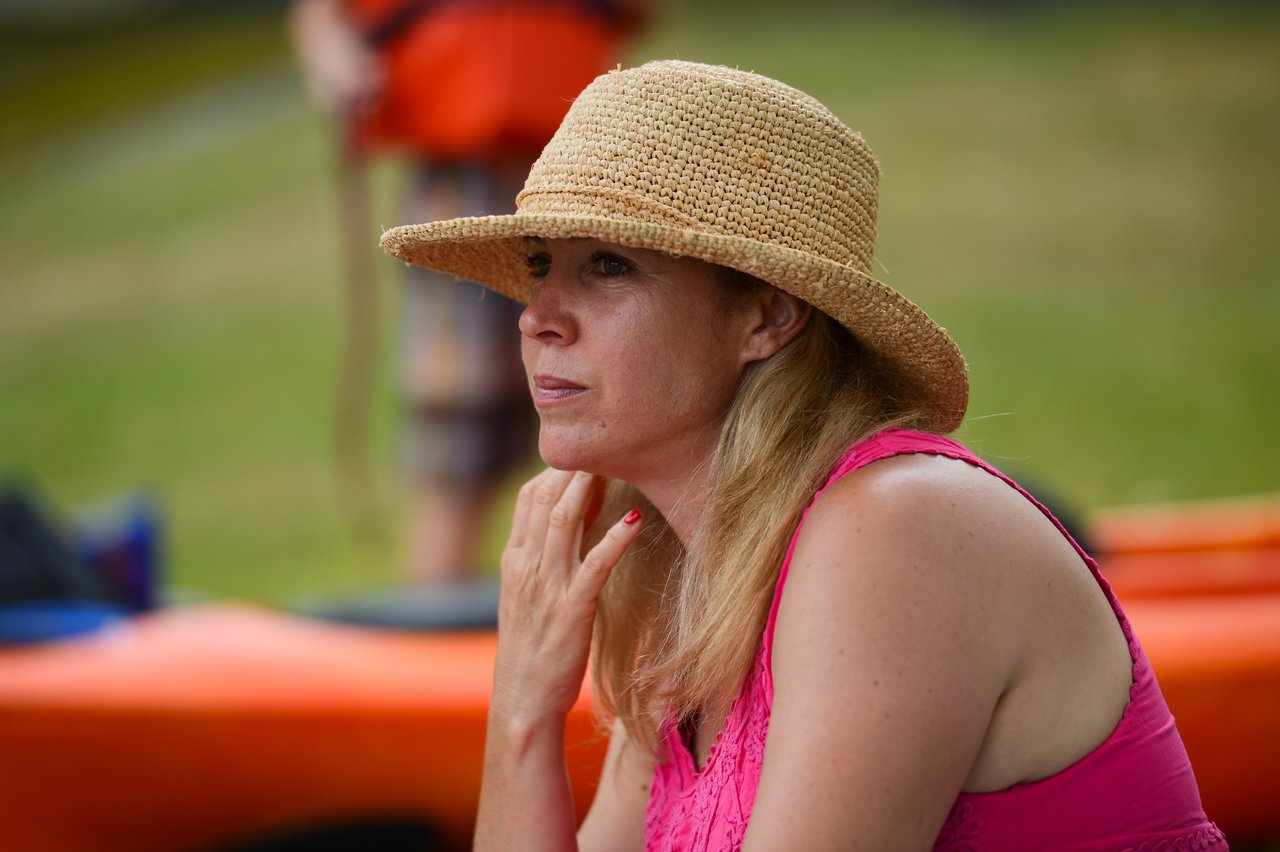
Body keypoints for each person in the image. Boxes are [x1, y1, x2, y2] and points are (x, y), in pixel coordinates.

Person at [380, 61, 1224, 850]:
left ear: (767, 318)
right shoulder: (695, 579)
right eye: (541, 265)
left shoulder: (894, 528)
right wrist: (523, 712)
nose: (536, 317)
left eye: (608, 265)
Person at [290, 0, 654, 582]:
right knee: (456, 443)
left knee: (613, 428)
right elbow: (321, 15)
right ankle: (437, 612)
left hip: (586, 166)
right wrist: (338, 65)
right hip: (461, 177)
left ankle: (602, 615)